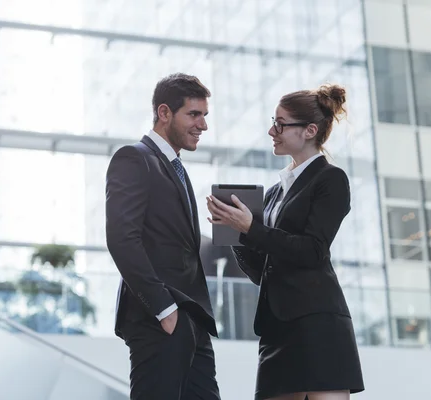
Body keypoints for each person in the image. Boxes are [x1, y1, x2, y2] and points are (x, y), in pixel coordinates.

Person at [206, 84, 364, 400]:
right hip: (277, 327)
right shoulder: (276, 192)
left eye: (280, 124)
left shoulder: (330, 179)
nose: (271, 130)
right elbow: (261, 271)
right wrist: (236, 233)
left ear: (310, 130)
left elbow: (312, 251)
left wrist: (252, 228)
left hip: (317, 323)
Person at [106, 73, 221, 400]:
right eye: (194, 114)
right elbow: (121, 239)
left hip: (192, 319)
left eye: (205, 116)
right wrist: (164, 309)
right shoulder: (134, 158)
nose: (203, 125)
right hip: (160, 317)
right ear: (164, 113)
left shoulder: (176, 169)